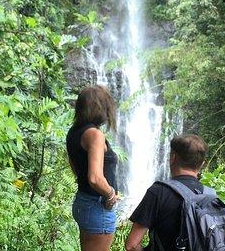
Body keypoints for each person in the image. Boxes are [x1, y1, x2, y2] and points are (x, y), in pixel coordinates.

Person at [125, 134, 207, 251]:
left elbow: (131, 245)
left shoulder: (158, 192)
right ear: (202, 164)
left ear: (172, 158)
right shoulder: (209, 195)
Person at [66, 85, 119, 251]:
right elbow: (95, 178)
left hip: (84, 202)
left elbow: (74, 166)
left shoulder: (74, 131)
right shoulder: (95, 135)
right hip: (97, 206)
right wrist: (111, 194)